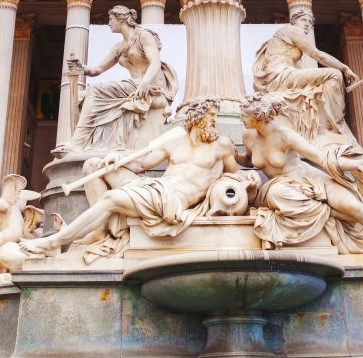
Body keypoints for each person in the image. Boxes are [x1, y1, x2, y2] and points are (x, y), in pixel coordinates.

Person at [23, 98, 238, 254]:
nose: (214, 121)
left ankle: (54, 241)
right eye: (211, 116)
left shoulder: (222, 146)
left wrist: (247, 181)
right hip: (156, 188)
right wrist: (115, 157)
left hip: (172, 201)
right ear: (197, 117)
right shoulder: (175, 141)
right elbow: (140, 164)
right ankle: (101, 230)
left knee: (110, 199)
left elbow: (233, 175)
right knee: (94, 166)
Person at [238, 96, 363, 262]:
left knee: (356, 210)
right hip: (281, 185)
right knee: (278, 193)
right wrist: (229, 154)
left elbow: (321, 159)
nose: (241, 118)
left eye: (244, 115)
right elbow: (248, 160)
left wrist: (355, 165)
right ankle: (330, 213)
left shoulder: (285, 135)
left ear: (258, 117)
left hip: (311, 180)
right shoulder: (249, 136)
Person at [57, 5, 178, 153]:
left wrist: (145, 83)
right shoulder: (119, 47)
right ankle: (87, 143)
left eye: (111, 19)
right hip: (134, 85)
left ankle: (78, 143)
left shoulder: (144, 35)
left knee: (94, 91)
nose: (109, 23)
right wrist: (81, 67)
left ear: (121, 19)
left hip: (151, 86)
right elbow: (98, 69)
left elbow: (155, 61)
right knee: (83, 96)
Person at [252, 9, 359, 145]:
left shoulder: (284, 35)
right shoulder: (293, 30)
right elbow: (317, 55)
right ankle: (334, 124)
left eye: (310, 22)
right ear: (293, 21)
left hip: (280, 77)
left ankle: (325, 124)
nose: (307, 24)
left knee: (319, 85)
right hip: (281, 75)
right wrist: (344, 68)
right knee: (334, 74)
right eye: (304, 20)